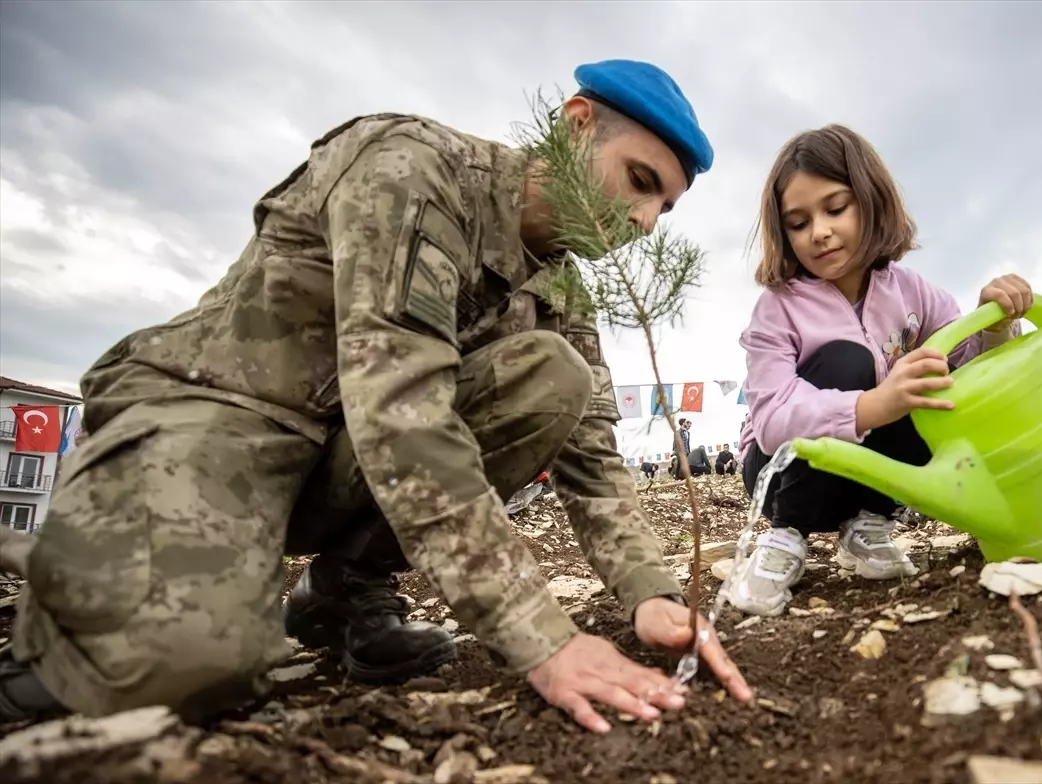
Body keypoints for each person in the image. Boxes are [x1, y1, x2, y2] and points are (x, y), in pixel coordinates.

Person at [0, 59, 753, 731]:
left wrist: (648, 591)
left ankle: (344, 586)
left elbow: (591, 453)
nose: (644, 222)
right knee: (184, 668)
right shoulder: (413, 170)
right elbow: (402, 410)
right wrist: (540, 635)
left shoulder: (560, 283)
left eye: (666, 210)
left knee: (554, 375)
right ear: (576, 126)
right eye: (641, 182)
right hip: (219, 416)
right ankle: (86, 573)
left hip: (335, 461)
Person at [728, 125, 1032, 617]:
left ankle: (868, 523)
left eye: (835, 208)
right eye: (798, 222)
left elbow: (970, 370)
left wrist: (995, 320)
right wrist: (874, 404)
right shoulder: (777, 309)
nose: (819, 232)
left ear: (870, 201)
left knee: (928, 372)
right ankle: (785, 539)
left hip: (868, 476)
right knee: (848, 359)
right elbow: (770, 420)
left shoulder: (913, 292)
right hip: (781, 477)